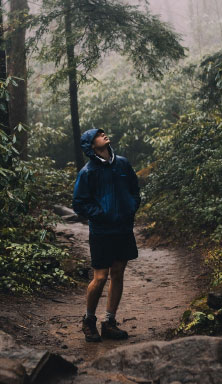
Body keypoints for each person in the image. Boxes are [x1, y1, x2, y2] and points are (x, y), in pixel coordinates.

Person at [72, 128, 141, 342]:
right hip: (102, 231)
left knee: (118, 273)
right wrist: (101, 215)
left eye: (103, 133)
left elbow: (134, 189)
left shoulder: (122, 163)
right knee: (100, 277)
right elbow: (79, 203)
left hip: (123, 229)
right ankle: (88, 320)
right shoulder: (88, 172)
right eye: (98, 135)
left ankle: (109, 322)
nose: (104, 135)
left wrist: (130, 208)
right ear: (92, 146)